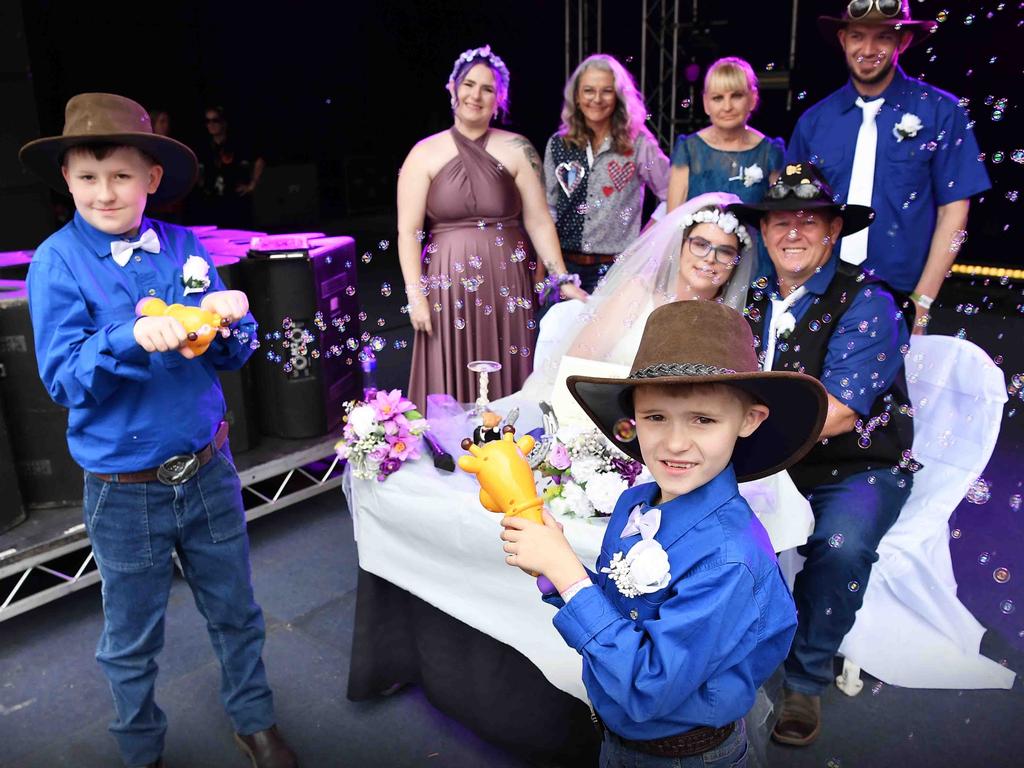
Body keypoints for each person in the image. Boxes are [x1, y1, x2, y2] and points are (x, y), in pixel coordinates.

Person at [20, 93, 296, 768]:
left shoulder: (185, 245)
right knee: (131, 638)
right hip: (125, 492)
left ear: (151, 178)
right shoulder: (55, 263)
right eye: (89, 177)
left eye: (121, 176)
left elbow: (233, 352)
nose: (105, 192)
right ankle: (140, 750)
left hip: (208, 471)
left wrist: (232, 321)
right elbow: (62, 379)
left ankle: (253, 719)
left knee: (236, 611)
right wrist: (131, 336)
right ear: (67, 180)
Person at [499, 299, 828, 766]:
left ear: (749, 420)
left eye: (704, 419)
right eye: (655, 417)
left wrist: (569, 576)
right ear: (632, 419)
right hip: (618, 742)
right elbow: (623, 611)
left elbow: (647, 686)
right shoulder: (636, 503)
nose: (674, 444)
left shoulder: (731, 557)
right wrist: (558, 570)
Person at [728, 162, 916, 747]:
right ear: (762, 232)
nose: (792, 232)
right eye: (779, 220)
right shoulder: (754, 296)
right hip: (767, 455)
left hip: (855, 466)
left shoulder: (870, 301)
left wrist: (735, 444)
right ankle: (720, 656)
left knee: (842, 547)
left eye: (808, 221)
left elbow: (838, 411)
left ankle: (806, 679)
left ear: (833, 230)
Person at [399, 45, 587, 410]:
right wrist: (415, 294)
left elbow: (538, 219)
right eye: (469, 84)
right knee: (449, 381)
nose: (476, 95)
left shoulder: (518, 148)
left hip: (508, 279)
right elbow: (409, 232)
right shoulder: (423, 153)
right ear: (452, 88)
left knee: (510, 379)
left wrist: (562, 279)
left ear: (499, 97)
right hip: (446, 284)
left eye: (488, 88)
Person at [787, 0, 990, 332]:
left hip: (899, 297)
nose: (868, 49)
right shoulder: (813, 122)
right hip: (819, 293)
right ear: (843, 39)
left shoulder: (942, 112)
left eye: (883, 37)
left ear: (903, 41)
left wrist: (921, 302)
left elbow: (953, 211)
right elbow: (793, 210)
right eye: (857, 36)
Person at [522, 191, 754, 402]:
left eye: (725, 251)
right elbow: (576, 364)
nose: (710, 258)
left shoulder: (728, 319)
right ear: (680, 245)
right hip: (599, 408)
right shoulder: (639, 292)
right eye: (700, 244)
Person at [543, 54, 670, 293]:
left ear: (619, 96)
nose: (597, 99)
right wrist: (551, 271)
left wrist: (643, 241)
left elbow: (672, 192)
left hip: (617, 268)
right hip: (565, 267)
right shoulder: (559, 144)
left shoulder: (639, 143)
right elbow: (547, 211)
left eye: (607, 91)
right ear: (577, 97)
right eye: (589, 90)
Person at [667, 57, 785, 278]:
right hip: (700, 263)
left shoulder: (771, 152)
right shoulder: (689, 149)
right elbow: (674, 221)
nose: (727, 106)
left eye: (737, 96)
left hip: (754, 266)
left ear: (753, 98)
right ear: (705, 103)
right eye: (718, 98)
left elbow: (778, 220)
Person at [195, 104, 265, 228]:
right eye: (208, 121)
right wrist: (200, 182)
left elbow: (259, 160)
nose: (211, 124)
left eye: (215, 120)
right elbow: (197, 166)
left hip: (236, 200)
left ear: (224, 122)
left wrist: (252, 184)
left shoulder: (237, 143)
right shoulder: (204, 146)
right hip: (212, 202)